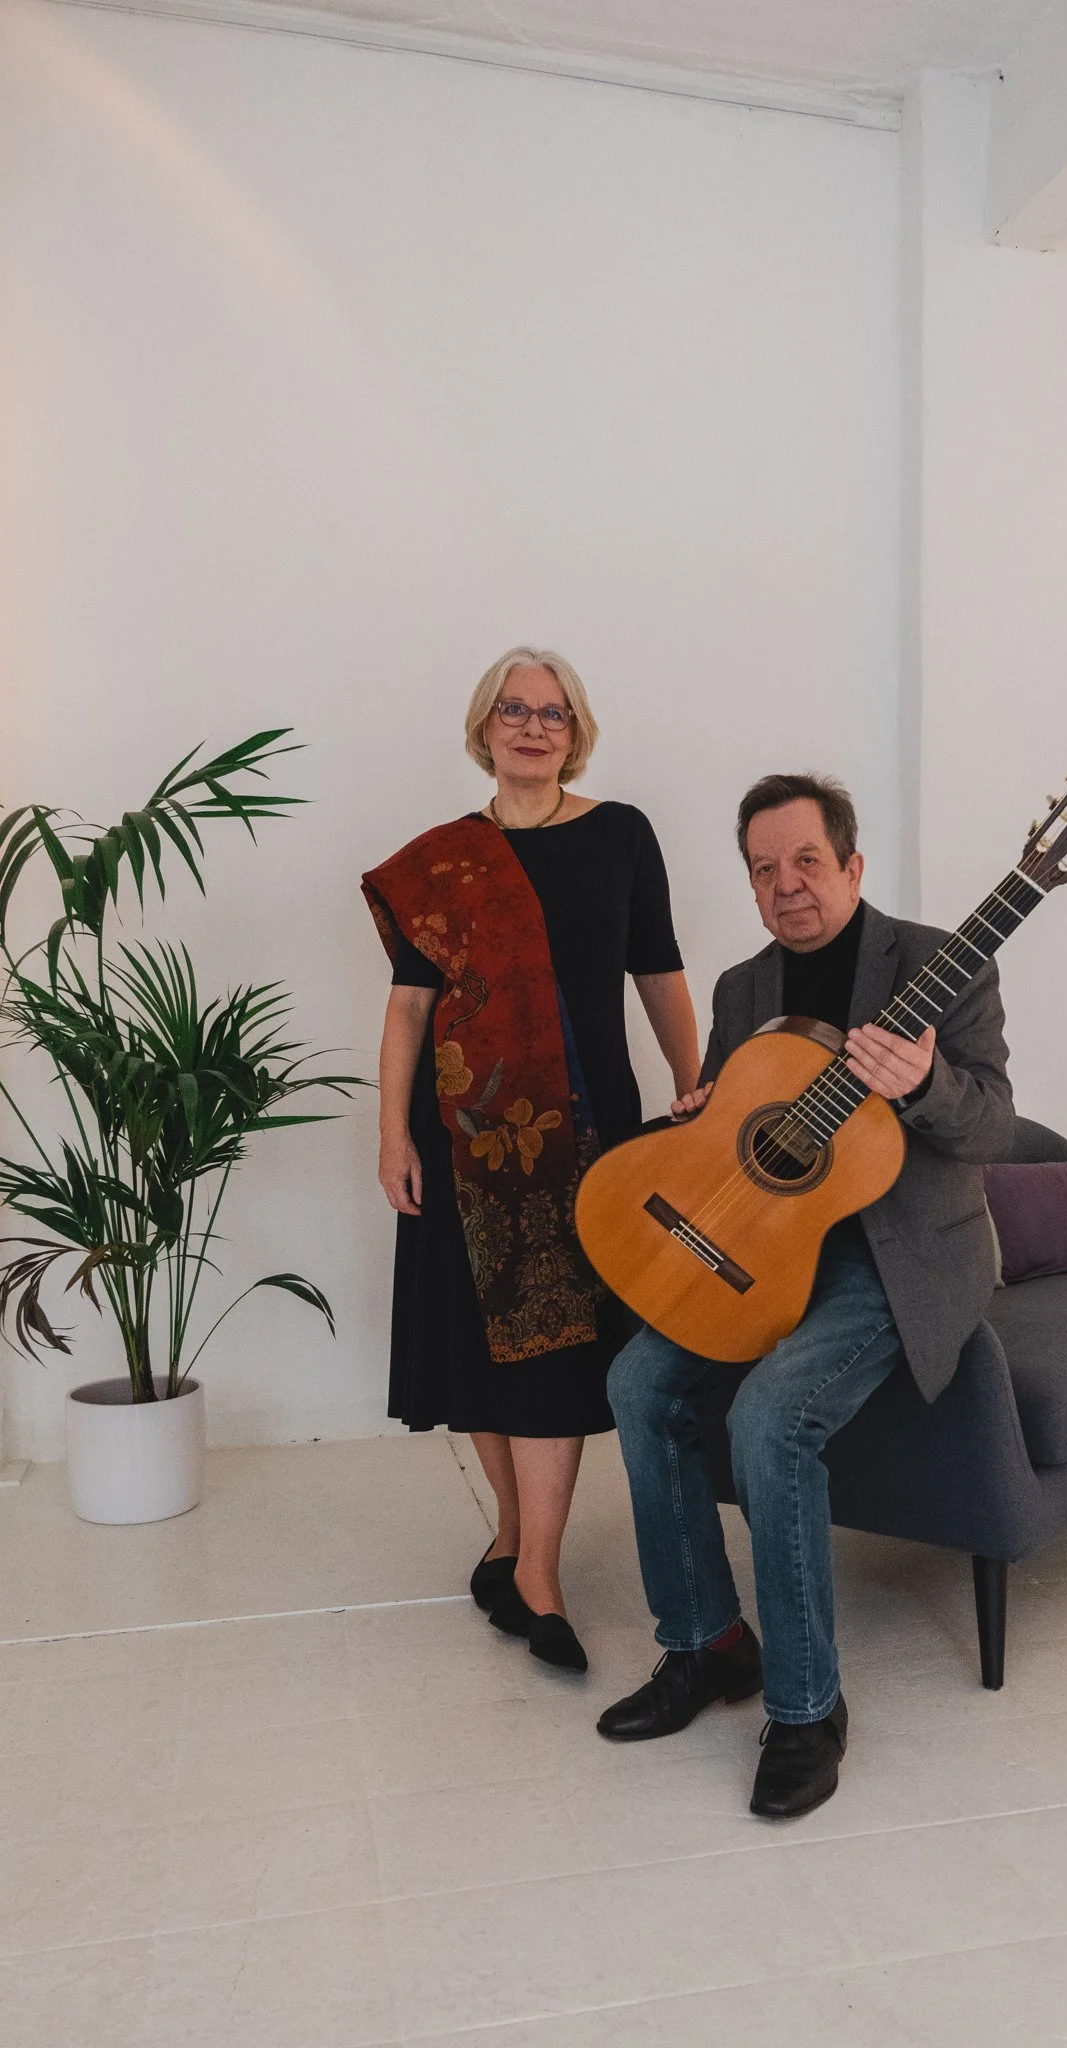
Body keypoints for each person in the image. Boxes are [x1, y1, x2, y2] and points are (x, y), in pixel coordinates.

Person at [598, 772, 1014, 1814]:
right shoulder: (742, 990)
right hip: (764, 1242)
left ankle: (805, 1707)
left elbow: (994, 1126)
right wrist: (701, 1117)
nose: (786, 885)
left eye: (807, 862)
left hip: (895, 1254)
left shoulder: (941, 964)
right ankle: (706, 1644)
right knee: (638, 1381)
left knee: (771, 1414)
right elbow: (734, 1128)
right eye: (763, 869)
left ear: (852, 866)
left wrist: (923, 1084)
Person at [363, 647, 699, 1675]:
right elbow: (409, 1009)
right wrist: (391, 1135)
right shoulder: (443, 861)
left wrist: (697, 1086)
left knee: (555, 1351)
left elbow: (659, 972)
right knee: (479, 1345)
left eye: (553, 713)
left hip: (584, 1139)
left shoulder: (620, 834)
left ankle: (539, 1574)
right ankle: (511, 1538)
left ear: (576, 732)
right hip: (461, 1137)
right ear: (484, 727)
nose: (532, 726)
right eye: (513, 709)